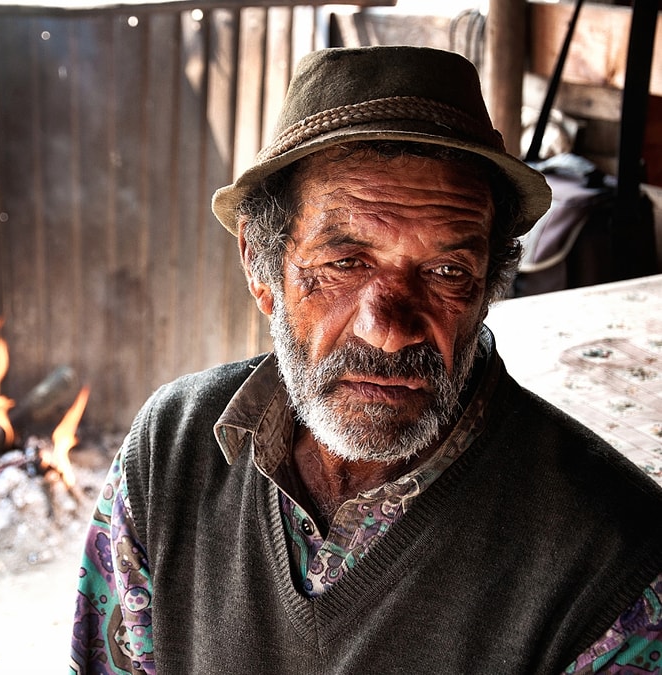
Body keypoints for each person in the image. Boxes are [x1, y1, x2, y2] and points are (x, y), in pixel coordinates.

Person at [69, 46, 662, 674]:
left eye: (446, 272)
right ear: (260, 265)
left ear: (487, 289)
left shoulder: (615, 571)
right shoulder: (171, 448)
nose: (387, 332)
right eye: (346, 263)